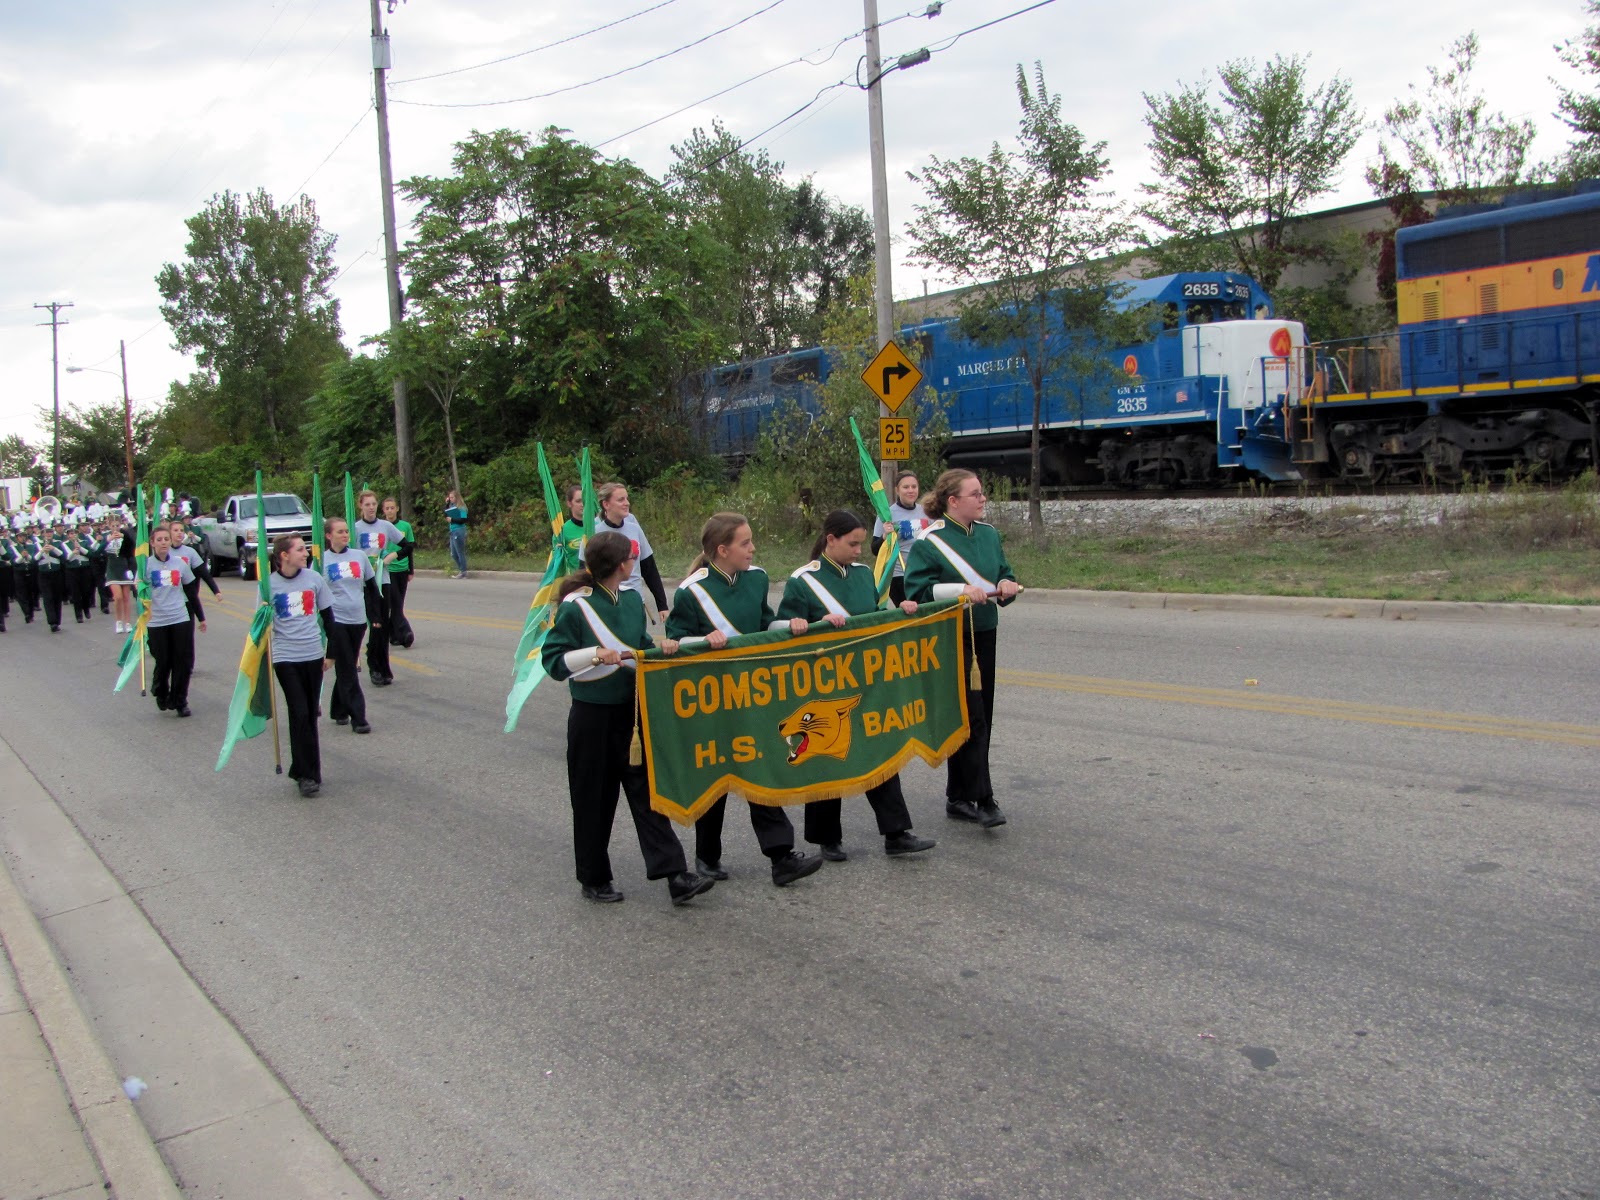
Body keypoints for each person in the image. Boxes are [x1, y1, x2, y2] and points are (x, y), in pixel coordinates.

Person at [541, 530, 715, 907]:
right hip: (592, 718)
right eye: (630, 556)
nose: (635, 560)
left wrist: (663, 646)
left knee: (647, 795)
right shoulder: (577, 606)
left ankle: (675, 874)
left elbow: (639, 645)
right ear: (621, 564)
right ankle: (594, 877)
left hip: (632, 713)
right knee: (594, 800)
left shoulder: (632, 599)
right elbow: (553, 661)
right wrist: (592, 655)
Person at [665, 512, 824, 888]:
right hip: (714, 698)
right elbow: (676, 642)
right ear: (722, 550)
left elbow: (766, 622)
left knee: (761, 769)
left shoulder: (757, 578)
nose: (753, 548)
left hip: (755, 691)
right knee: (717, 776)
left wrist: (791, 625)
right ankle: (707, 855)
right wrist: (705, 641)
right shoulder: (692, 590)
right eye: (745, 543)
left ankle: (781, 856)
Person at [776, 509, 937, 862]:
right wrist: (812, 623)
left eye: (862, 544)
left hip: (864, 678)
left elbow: (874, 616)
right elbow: (784, 627)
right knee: (826, 757)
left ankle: (896, 832)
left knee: (879, 751)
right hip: (823, 682)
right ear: (830, 540)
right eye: (852, 544)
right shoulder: (803, 580)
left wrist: (902, 609)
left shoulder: (864, 575)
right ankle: (826, 837)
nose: (859, 551)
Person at [903, 469, 1020, 829]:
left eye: (983, 493)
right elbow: (917, 592)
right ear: (953, 502)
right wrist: (958, 592)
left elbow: (1005, 572)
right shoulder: (929, 541)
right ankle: (983, 798)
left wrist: (1006, 583)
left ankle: (958, 795)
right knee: (972, 717)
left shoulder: (988, 535)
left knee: (981, 713)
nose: (983, 499)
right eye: (976, 494)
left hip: (985, 631)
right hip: (953, 636)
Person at [268, 534, 336, 797]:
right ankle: (307, 776)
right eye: (300, 550)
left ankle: (306, 770)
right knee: (298, 712)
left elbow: (330, 618)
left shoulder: (314, 579)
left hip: (312, 655)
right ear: (284, 555)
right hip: (285, 658)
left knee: (309, 713)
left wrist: (331, 653)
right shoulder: (268, 585)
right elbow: (260, 626)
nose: (305, 553)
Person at [319, 518, 374, 735]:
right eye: (340, 532)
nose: (344, 535)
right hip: (336, 619)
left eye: (346, 531)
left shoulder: (359, 556)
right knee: (348, 670)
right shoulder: (321, 560)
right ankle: (358, 716)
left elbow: (371, 586)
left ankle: (338, 709)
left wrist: (375, 616)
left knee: (346, 664)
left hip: (358, 619)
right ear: (328, 535)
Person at [145, 525, 204, 716]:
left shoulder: (180, 564)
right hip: (156, 620)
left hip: (179, 617)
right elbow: (139, 592)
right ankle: (160, 690)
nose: (163, 543)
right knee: (163, 660)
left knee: (183, 661)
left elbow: (191, 591)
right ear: (152, 543)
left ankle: (180, 700)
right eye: (159, 540)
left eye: (166, 539)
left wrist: (200, 616)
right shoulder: (145, 565)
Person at [592, 482, 669, 619]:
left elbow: (649, 568)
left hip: (635, 602)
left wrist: (662, 604)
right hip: (606, 605)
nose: (626, 503)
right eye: (620, 500)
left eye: (627, 498)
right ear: (606, 504)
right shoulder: (595, 533)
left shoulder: (634, 529)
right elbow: (585, 572)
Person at [351, 490, 402, 687]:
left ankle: (384, 667)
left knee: (384, 626)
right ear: (361, 506)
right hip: (365, 583)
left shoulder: (386, 526)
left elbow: (407, 545)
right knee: (374, 624)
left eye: (373, 504)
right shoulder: (355, 528)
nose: (371, 507)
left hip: (383, 579)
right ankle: (374, 666)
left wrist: (392, 556)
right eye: (367, 504)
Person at [872, 471, 932, 606]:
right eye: (906, 487)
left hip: (923, 572)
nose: (910, 490)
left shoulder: (926, 511)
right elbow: (874, 549)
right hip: (899, 575)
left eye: (914, 487)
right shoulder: (887, 515)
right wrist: (884, 536)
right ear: (897, 490)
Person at [168, 520, 220, 625]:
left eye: (181, 530)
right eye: (176, 530)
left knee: (187, 635)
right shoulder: (165, 552)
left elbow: (203, 572)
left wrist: (216, 591)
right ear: (169, 533)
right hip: (170, 600)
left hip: (187, 598)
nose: (179, 533)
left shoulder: (190, 552)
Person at [380, 497, 415, 647]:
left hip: (402, 568)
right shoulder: (381, 527)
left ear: (397, 509)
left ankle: (393, 635)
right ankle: (405, 632)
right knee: (395, 602)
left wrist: (410, 570)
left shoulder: (405, 526)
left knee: (398, 604)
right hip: (389, 569)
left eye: (392, 508)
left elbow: (410, 547)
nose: (390, 511)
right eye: (387, 508)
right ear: (383, 511)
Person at [33, 527, 67, 633]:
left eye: (50, 532)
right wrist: (42, 550)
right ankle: (52, 622)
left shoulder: (58, 543)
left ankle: (57, 621)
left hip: (56, 573)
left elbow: (64, 556)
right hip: (44, 574)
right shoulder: (37, 544)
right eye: (46, 532)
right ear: (43, 534)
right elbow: (34, 559)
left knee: (57, 597)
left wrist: (53, 549)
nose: (48, 534)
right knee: (48, 598)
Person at [107, 518, 136, 634]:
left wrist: (124, 538)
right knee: (117, 597)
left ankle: (127, 622)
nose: (115, 528)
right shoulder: (106, 537)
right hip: (113, 569)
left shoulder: (125, 536)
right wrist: (108, 540)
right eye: (113, 526)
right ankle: (118, 621)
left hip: (125, 568)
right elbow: (97, 551)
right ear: (109, 526)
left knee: (126, 597)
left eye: (117, 525)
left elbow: (132, 548)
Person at [444, 489, 469, 578]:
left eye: (452, 497)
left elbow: (464, 520)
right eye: (449, 497)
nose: (450, 499)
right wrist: (446, 503)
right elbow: (446, 514)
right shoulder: (452, 506)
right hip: (452, 530)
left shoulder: (461, 507)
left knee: (459, 551)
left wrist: (453, 520)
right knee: (453, 553)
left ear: (457, 497)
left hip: (459, 530)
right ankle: (462, 569)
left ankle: (463, 571)